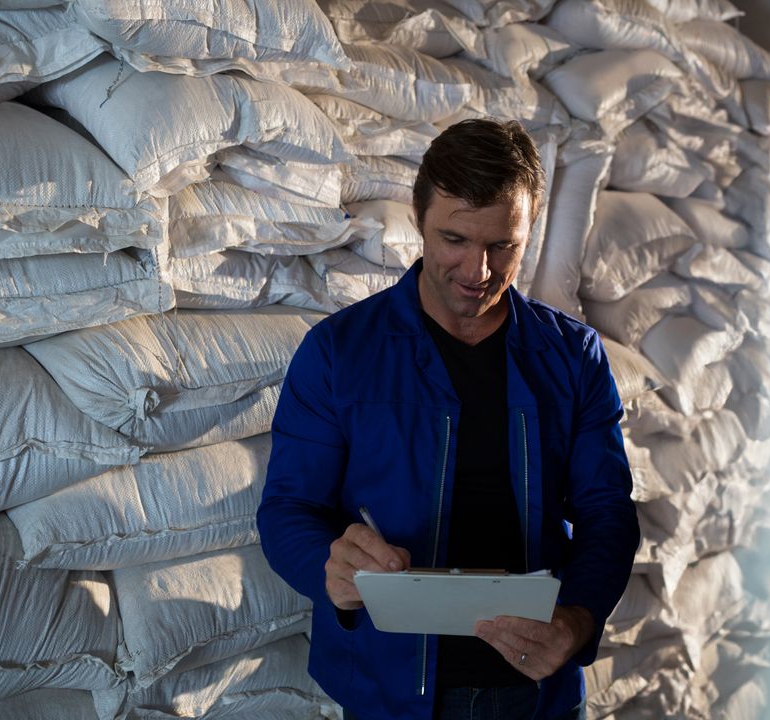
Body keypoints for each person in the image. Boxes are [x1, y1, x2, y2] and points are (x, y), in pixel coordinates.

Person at [258, 118, 640, 720]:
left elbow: (607, 511)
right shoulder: (339, 352)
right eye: (455, 239)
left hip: (535, 691)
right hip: (386, 690)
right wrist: (327, 565)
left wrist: (578, 619)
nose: (477, 271)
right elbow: (288, 508)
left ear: (530, 230)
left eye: (502, 246)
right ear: (419, 218)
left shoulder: (572, 357)